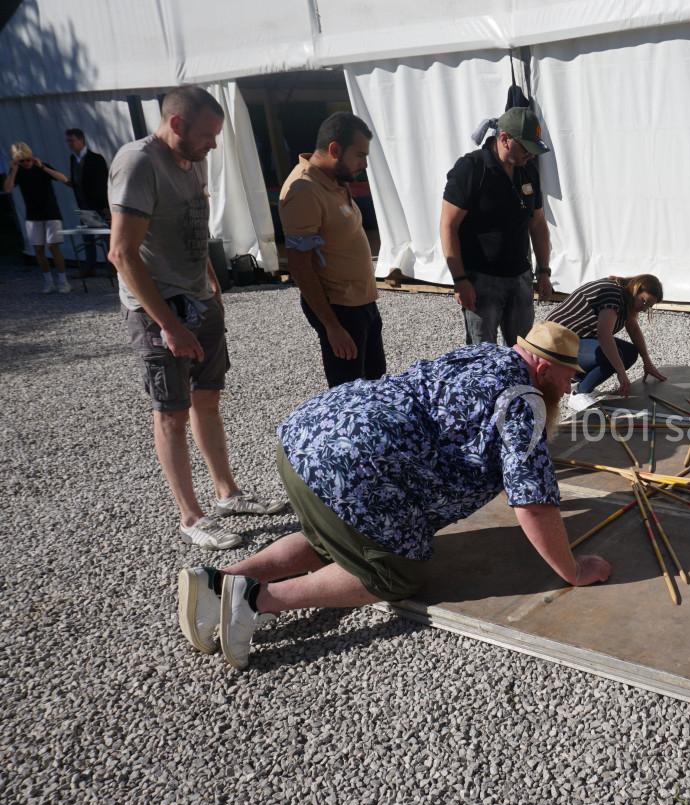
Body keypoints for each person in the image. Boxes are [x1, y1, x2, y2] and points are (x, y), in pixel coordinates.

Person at [174, 322, 614, 669]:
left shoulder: (484, 353)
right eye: (567, 374)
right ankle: (256, 600)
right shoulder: (525, 400)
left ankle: (219, 579)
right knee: (394, 575)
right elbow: (532, 503)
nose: (570, 384)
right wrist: (572, 569)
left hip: (307, 438)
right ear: (543, 367)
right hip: (357, 466)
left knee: (333, 536)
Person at [108, 85, 286, 551]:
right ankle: (191, 515)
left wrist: (211, 283)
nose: (212, 144)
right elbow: (122, 254)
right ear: (177, 124)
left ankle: (227, 494)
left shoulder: (193, 158)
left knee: (208, 397)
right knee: (171, 412)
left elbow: (196, 225)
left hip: (198, 298)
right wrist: (168, 323)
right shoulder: (139, 163)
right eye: (207, 135)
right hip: (158, 310)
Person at [279, 112, 385, 388]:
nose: (363, 165)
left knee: (376, 387)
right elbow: (301, 266)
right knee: (349, 396)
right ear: (335, 149)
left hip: (362, 304)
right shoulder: (304, 190)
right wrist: (332, 327)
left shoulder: (334, 180)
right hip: (341, 310)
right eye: (360, 155)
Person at [440, 106, 555, 347]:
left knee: (523, 350)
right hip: (482, 280)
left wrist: (543, 270)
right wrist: (460, 279)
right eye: (526, 149)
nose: (531, 156)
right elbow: (448, 225)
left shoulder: (527, 171)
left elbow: (537, 223)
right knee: (484, 354)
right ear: (504, 139)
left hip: (520, 277)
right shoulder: (471, 168)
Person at [548, 274, 668, 412]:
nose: (644, 308)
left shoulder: (624, 295)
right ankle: (579, 393)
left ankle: (580, 382)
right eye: (644, 302)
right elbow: (604, 336)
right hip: (554, 342)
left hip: (573, 339)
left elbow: (633, 329)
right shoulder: (614, 295)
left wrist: (647, 361)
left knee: (630, 353)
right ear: (636, 289)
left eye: (649, 306)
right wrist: (621, 372)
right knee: (610, 355)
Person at [4, 142, 71, 293]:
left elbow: (64, 179)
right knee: (38, 250)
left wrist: (43, 167)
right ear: (16, 161)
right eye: (22, 161)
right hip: (33, 215)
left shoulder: (42, 167)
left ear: (32, 157)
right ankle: (48, 282)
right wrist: (13, 171)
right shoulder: (18, 172)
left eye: (28, 159)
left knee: (54, 246)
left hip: (51, 212)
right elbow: (7, 189)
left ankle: (63, 281)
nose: (26, 163)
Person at [65, 128, 111, 278]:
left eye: (72, 140)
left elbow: (103, 183)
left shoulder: (95, 159)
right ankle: (90, 266)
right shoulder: (73, 159)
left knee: (105, 237)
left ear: (81, 140)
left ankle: (113, 267)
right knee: (87, 239)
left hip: (97, 204)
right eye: (68, 141)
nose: (69, 144)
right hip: (83, 204)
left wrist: (105, 205)